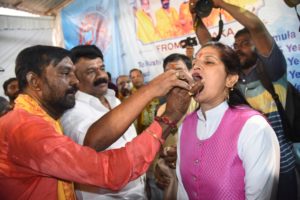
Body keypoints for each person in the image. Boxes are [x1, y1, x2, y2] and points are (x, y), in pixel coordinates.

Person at [0, 45, 193, 200]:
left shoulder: (39, 118)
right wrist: (164, 110)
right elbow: (109, 170)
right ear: (35, 82)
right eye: (65, 73)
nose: (75, 82)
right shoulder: (26, 128)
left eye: (101, 68)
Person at [189, 0, 298, 198]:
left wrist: (219, 3)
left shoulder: (273, 69)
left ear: (260, 45)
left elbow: (255, 26)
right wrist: (195, 16)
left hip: (280, 169)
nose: (239, 48)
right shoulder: (232, 78)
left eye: (246, 43)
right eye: (236, 45)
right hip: (247, 169)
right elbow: (208, 43)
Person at [160, 42, 280, 200]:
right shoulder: (186, 125)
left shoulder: (254, 128)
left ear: (230, 79)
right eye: (194, 63)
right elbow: (183, 193)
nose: (196, 67)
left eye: (208, 62)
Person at [61, 45, 146, 199]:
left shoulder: (116, 102)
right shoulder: (71, 112)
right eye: (91, 71)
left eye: (102, 68)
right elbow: (91, 143)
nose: (101, 75)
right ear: (75, 78)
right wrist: (150, 91)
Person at [147, 53, 198, 200]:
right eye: (169, 73)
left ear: (191, 72)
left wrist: (182, 155)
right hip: (170, 176)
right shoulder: (162, 108)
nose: (176, 76)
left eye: (180, 71)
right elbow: (158, 141)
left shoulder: (202, 103)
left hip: (196, 177)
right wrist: (157, 164)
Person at [130, 68, 160, 134]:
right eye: (133, 77)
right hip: (137, 130)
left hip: (152, 128)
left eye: (138, 76)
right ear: (131, 80)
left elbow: (157, 108)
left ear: (142, 77)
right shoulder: (129, 95)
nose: (136, 79)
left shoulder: (152, 90)